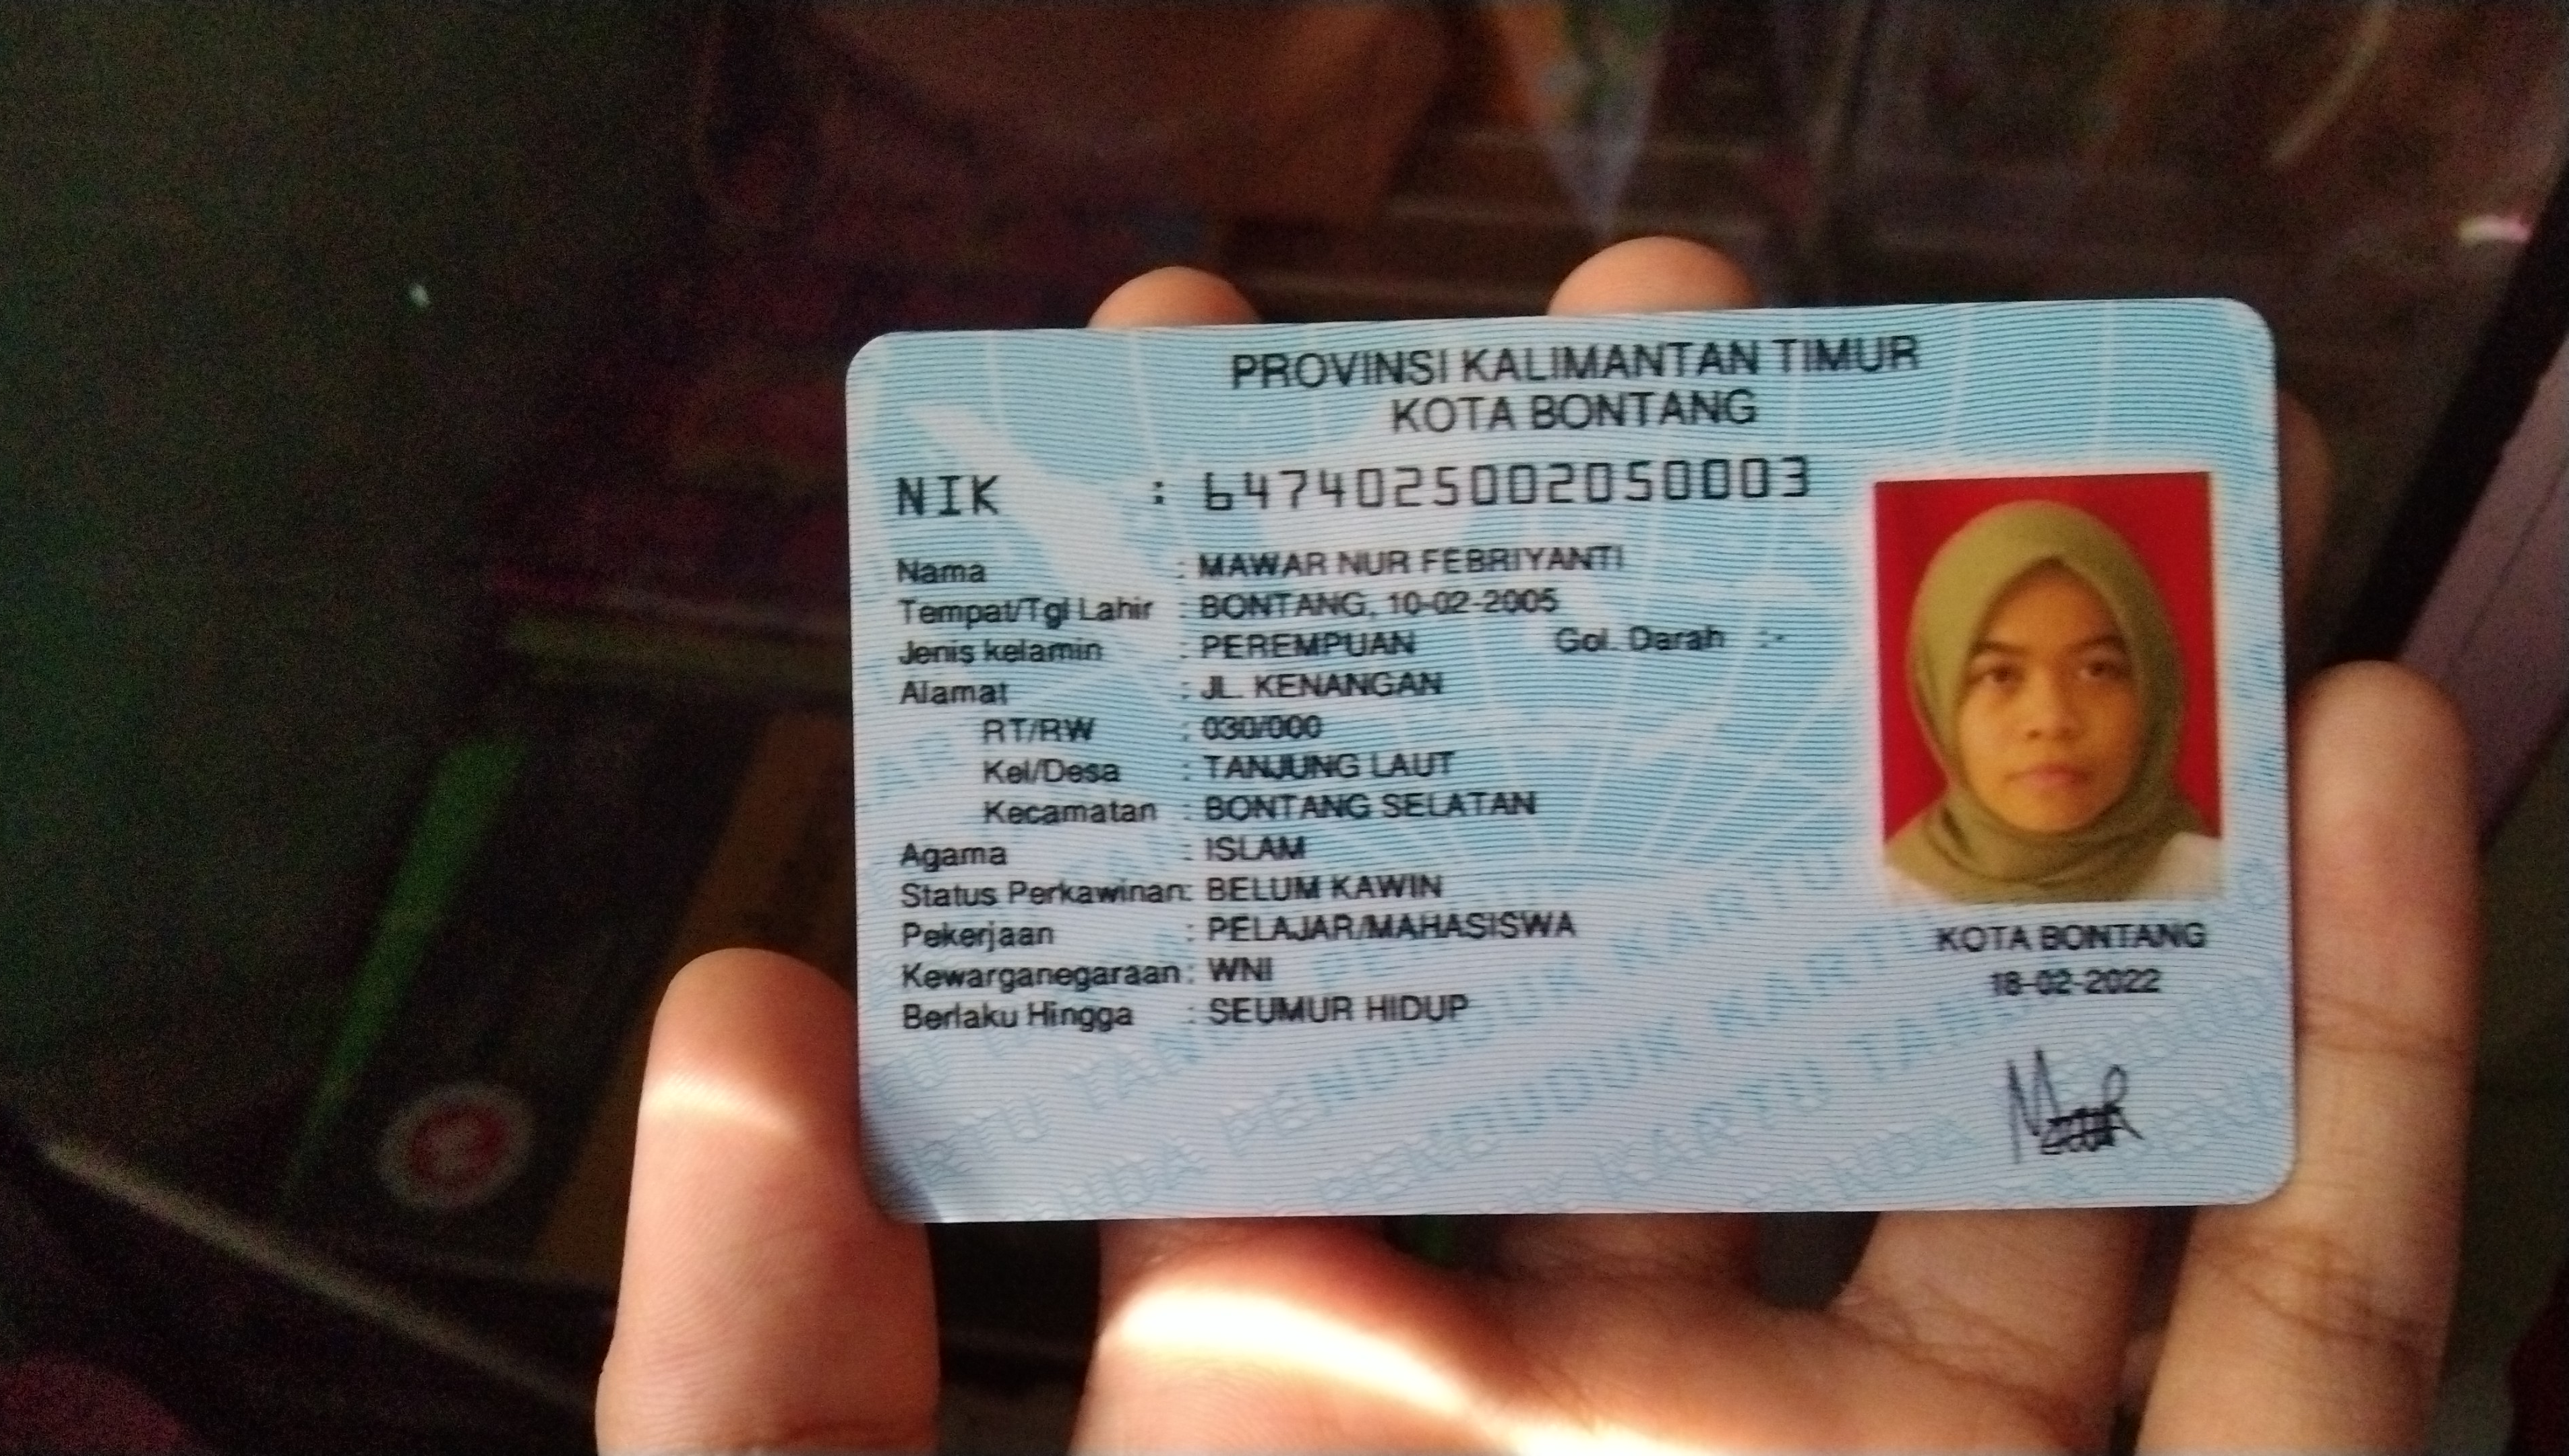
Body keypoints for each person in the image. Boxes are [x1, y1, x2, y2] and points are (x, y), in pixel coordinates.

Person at [596, 240, 2479, 1453]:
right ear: (1929, 690)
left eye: (2096, 663)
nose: (2052, 716)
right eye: (1994, 668)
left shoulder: (2117, 972)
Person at [1886, 500, 2220, 903]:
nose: (2052, 719)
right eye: (1999, 675)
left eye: (2097, 670)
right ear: (1938, 697)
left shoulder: (2222, 887)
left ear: (2154, 688)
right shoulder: (1879, 903)